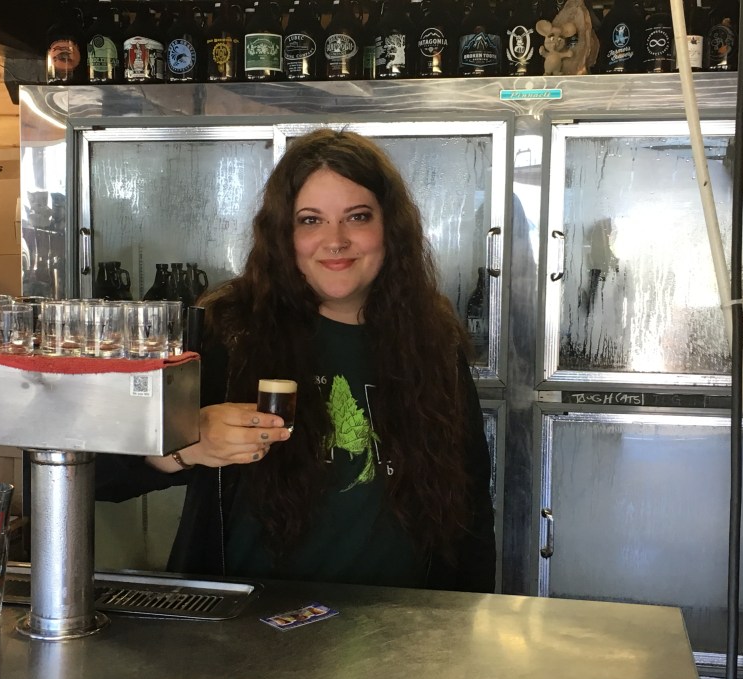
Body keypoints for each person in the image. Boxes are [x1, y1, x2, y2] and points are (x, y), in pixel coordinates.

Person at [96, 128, 495, 593]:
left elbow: (470, 508)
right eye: (310, 220)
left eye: (357, 217)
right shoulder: (229, 331)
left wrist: (465, 620)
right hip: (248, 623)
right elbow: (101, 471)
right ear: (283, 235)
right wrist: (186, 443)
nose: (335, 240)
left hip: (399, 624)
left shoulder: (432, 338)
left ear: (391, 228)